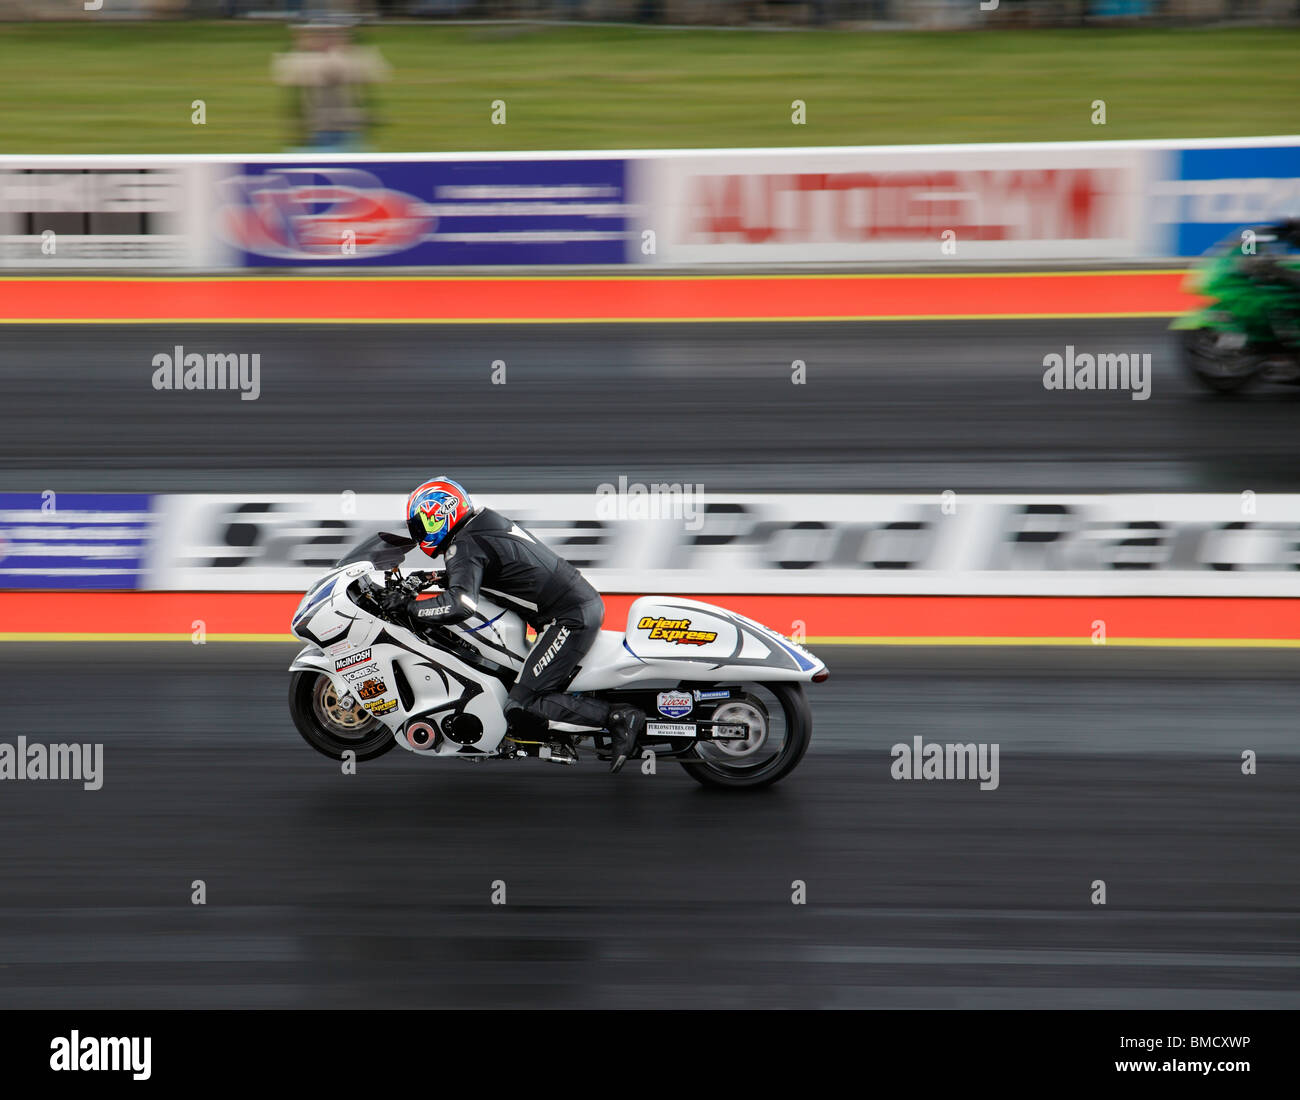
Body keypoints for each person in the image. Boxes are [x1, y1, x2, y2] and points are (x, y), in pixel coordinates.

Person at [394, 477, 645, 773]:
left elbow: (461, 604)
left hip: (568, 618)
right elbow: (483, 570)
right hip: (573, 606)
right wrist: (429, 578)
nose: (419, 533)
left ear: (440, 514)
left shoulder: (464, 545)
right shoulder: (478, 526)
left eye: (422, 524)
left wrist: (410, 607)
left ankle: (618, 718)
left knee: (521, 705)